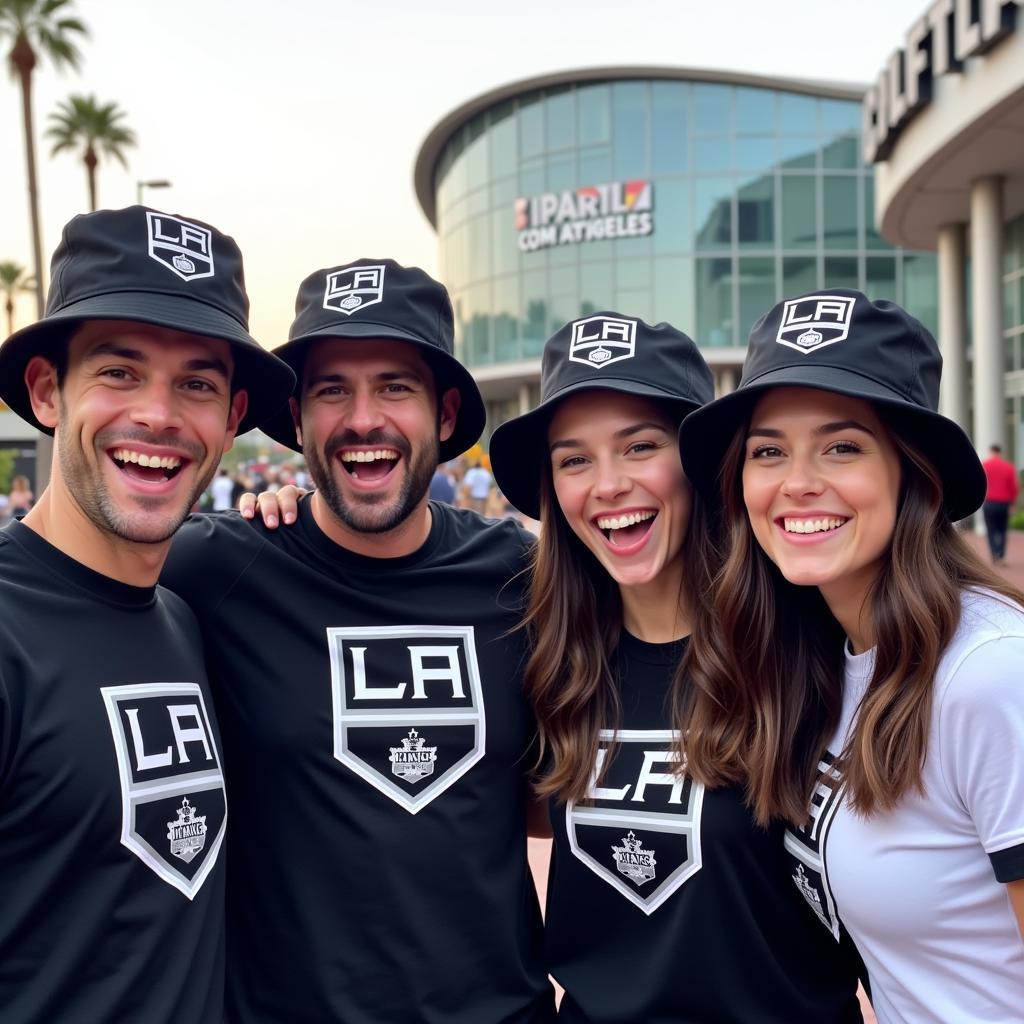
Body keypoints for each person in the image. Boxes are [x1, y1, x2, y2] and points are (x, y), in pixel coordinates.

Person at [161, 259, 554, 1023]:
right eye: (332, 389)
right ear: (298, 419)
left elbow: (547, 802)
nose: (363, 418)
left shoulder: (525, 578)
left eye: (394, 387)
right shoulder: (216, 568)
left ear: (443, 416)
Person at [486, 313, 864, 1022]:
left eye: (640, 447)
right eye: (573, 460)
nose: (606, 485)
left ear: (701, 461)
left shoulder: (808, 647)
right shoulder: (545, 660)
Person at [680, 289, 1024, 1023]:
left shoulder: (990, 671)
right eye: (768, 450)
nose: (798, 480)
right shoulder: (824, 659)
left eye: (842, 445)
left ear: (913, 473)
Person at [0, 205, 294, 1023]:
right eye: (119, 372)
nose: (160, 416)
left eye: (197, 383)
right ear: (48, 390)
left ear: (232, 421)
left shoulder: (190, 621)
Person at [981, 443, 1019, 564]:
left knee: (990, 529)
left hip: (989, 502)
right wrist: (1012, 503)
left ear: (991, 451)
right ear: (1000, 452)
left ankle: (994, 554)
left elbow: (979, 485)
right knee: (1002, 530)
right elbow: (1014, 487)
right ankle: (1001, 554)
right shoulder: (1009, 467)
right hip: (1004, 503)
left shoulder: (984, 466)